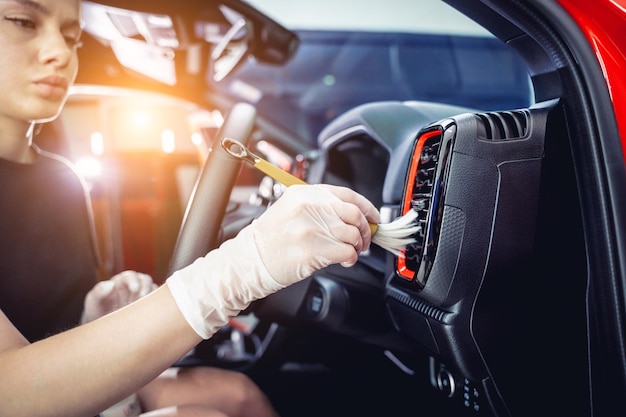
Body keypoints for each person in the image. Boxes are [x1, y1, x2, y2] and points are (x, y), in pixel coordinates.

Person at [0, 1, 380, 417]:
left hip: (77, 390)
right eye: (23, 21)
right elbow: (10, 392)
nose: (60, 51)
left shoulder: (63, 179)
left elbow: (45, 323)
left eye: (73, 36)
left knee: (238, 395)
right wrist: (237, 270)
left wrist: (93, 312)